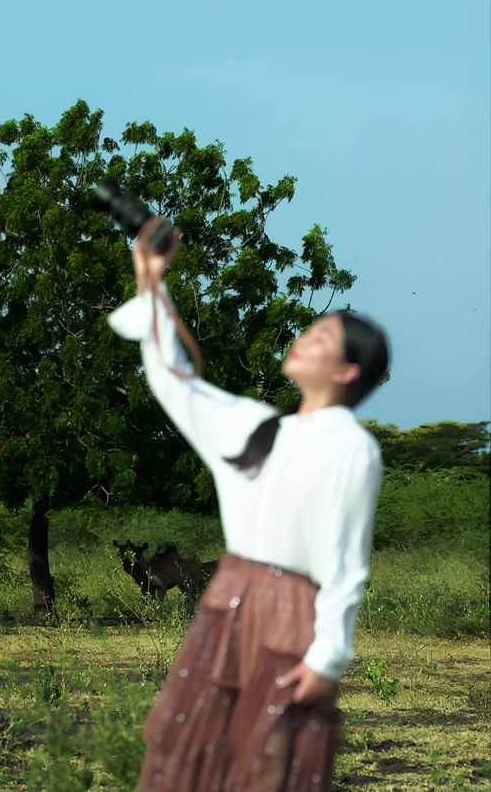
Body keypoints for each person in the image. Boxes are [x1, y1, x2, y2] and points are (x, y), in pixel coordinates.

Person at [108, 219, 390, 792]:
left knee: (268, 765)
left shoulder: (352, 446)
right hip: (224, 602)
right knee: (193, 753)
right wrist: (151, 283)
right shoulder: (255, 427)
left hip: (292, 611)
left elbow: (345, 565)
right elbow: (175, 382)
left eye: (321, 339)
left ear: (346, 372)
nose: (303, 338)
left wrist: (326, 657)